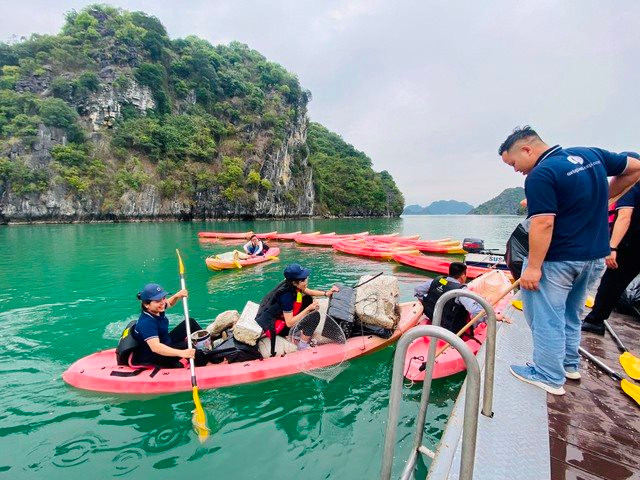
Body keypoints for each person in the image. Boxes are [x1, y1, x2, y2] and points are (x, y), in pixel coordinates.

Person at [500, 126, 640, 395]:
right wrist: (604, 196)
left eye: (514, 163)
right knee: (571, 314)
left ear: (527, 149)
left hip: (558, 259)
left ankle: (548, 375)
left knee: (546, 318)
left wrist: (533, 267)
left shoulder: (541, 174)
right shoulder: (591, 155)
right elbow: (635, 168)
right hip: (593, 258)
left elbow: (542, 224)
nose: (516, 170)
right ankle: (568, 365)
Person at [583, 152, 640, 335]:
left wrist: (612, 248)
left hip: (632, 244)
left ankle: (595, 320)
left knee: (613, 281)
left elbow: (624, 217)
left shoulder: (631, 184)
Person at [255, 264, 339, 352]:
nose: (306, 281)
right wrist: (308, 309)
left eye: (306, 278)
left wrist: (326, 293)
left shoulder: (290, 283)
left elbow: (308, 291)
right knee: (314, 316)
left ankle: (299, 333)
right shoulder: (286, 296)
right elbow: (289, 323)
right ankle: (302, 345)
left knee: (307, 299)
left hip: (278, 317)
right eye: (303, 280)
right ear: (294, 282)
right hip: (276, 327)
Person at [130, 283, 205, 368]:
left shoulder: (157, 308)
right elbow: (156, 347)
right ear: (146, 304)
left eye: (163, 298)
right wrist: (182, 353)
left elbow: (169, 303)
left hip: (166, 341)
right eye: (158, 300)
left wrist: (177, 296)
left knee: (190, 322)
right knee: (187, 346)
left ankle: (208, 344)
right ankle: (204, 364)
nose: (163, 302)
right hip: (155, 356)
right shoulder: (146, 323)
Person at [414, 262, 484, 337]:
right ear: (463, 276)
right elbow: (476, 311)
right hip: (451, 328)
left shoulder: (439, 280)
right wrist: (476, 326)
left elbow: (418, 291)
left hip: (432, 317)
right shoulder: (461, 291)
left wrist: (428, 306)